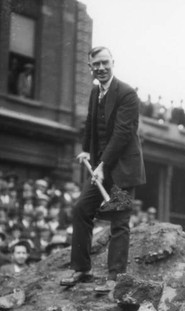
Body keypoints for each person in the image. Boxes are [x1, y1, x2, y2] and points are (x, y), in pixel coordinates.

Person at [62, 46, 146, 294]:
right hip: (101, 167)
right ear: (90, 67)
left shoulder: (127, 93)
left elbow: (122, 134)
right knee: (81, 209)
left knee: (119, 220)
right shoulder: (94, 91)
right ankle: (81, 268)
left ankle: (115, 276)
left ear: (113, 62)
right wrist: (86, 149)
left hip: (123, 170)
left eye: (104, 63)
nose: (100, 68)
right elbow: (90, 122)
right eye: (95, 64)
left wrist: (102, 165)